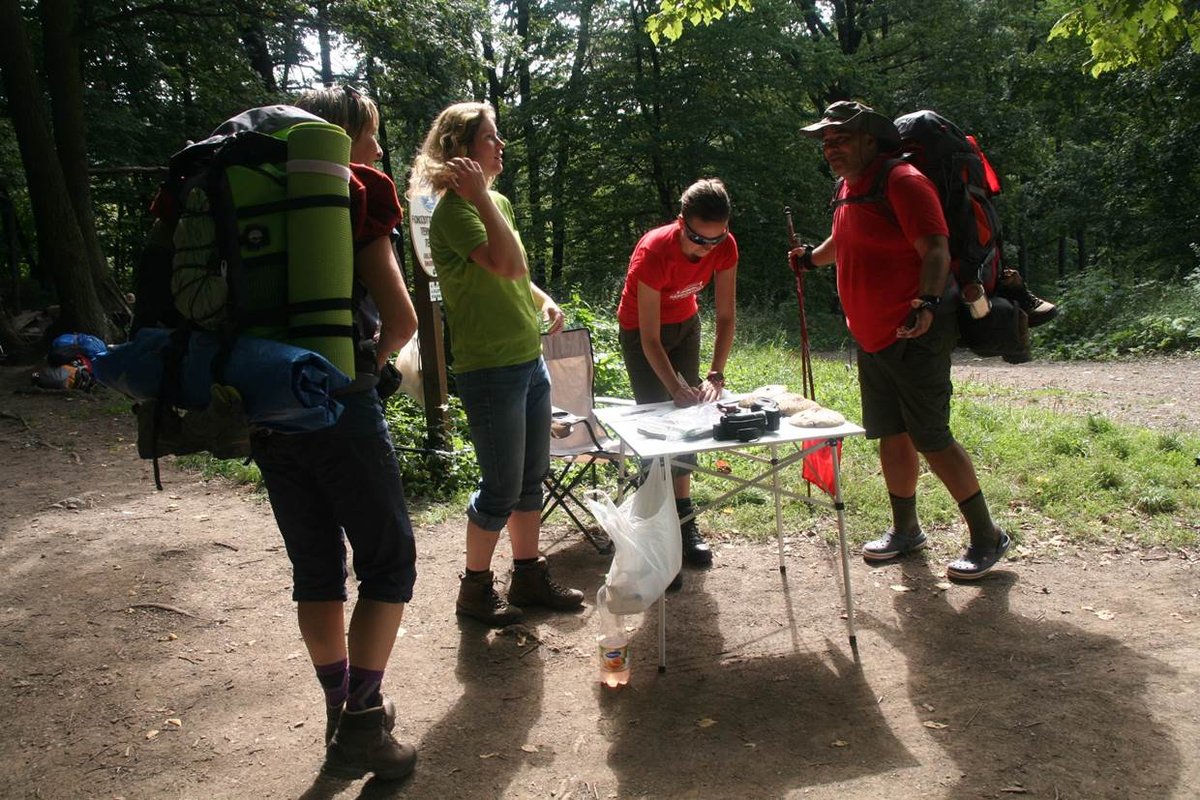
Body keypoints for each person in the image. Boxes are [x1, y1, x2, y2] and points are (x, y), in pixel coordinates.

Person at [249, 86, 419, 780]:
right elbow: (402, 319)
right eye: (371, 134)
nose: (377, 150)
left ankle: (338, 707)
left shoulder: (254, 195)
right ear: (342, 136)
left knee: (316, 572)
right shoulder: (359, 194)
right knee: (389, 565)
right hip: (341, 406)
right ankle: (362, 725)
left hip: (264, 402)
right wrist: (371, 369)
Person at [794, 100, 1009, 580]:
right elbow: (842, 240)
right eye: (826, 141)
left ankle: (987, 536)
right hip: (871, 335)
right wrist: (811, 259)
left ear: (871, 138)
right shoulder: (849, 188)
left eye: (840, 138)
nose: (830, 148)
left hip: (916, 330)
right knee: (890, 433)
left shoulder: (903, 182)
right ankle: (906, 530)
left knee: (931, 436)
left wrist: (928, 305)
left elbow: (935, 247)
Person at [409, 101, 584, 627]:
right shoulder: (456, 212)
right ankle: (476, 590)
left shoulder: (493, 202)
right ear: (459, 152)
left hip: (529, 361)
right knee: (500, 487)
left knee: (533, 479)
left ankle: (528, 575)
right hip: (490, 371)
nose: (501, 146)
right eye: (490, 138)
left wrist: (540, 298)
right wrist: (480, 198)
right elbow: (506, 260)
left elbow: (513, 272)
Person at [616, 178, 739, 577]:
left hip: (686, 323)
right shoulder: (654, 251)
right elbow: (650, 339)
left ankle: (683, 521)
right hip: (641, 333)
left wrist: (715, 373)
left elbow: (725, 316)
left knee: (687, 426)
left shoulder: (726, 246)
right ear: (681, 221)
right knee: (657, 428)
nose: (705, 249)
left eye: (714, 241)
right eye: (697, 240)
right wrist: (675, 387)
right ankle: (653, 532)